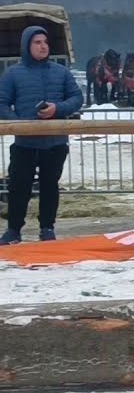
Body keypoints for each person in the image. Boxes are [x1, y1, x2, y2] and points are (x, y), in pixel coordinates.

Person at [0, 26, 85, 243]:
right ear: (27, 46)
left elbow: (76, 98)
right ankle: (14, 230)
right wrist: (18, 123)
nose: (43, 46)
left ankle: (47, 228)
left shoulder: (61, 72)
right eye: (37, 42)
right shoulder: (13, 74)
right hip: (25, 142)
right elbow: (1, 102)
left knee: (50, 186)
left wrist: (58, 109)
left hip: (55, 141)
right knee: (19, 186)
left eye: (45, 42)